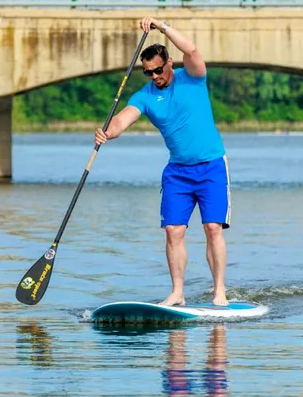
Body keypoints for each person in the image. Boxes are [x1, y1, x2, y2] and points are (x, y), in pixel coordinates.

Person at [94, 16, 231, 307]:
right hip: (177, 173)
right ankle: (177, 293)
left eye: (158, 70)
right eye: (148, 73)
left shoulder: (192, 77)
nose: (155, 76)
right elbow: (122, 119)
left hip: (211, 166)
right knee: (173, 231)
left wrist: (162, 25)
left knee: (212, 228)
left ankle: (219, 291)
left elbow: (192, 51)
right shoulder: (145, 96)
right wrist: (108, 132)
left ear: (169, 62)